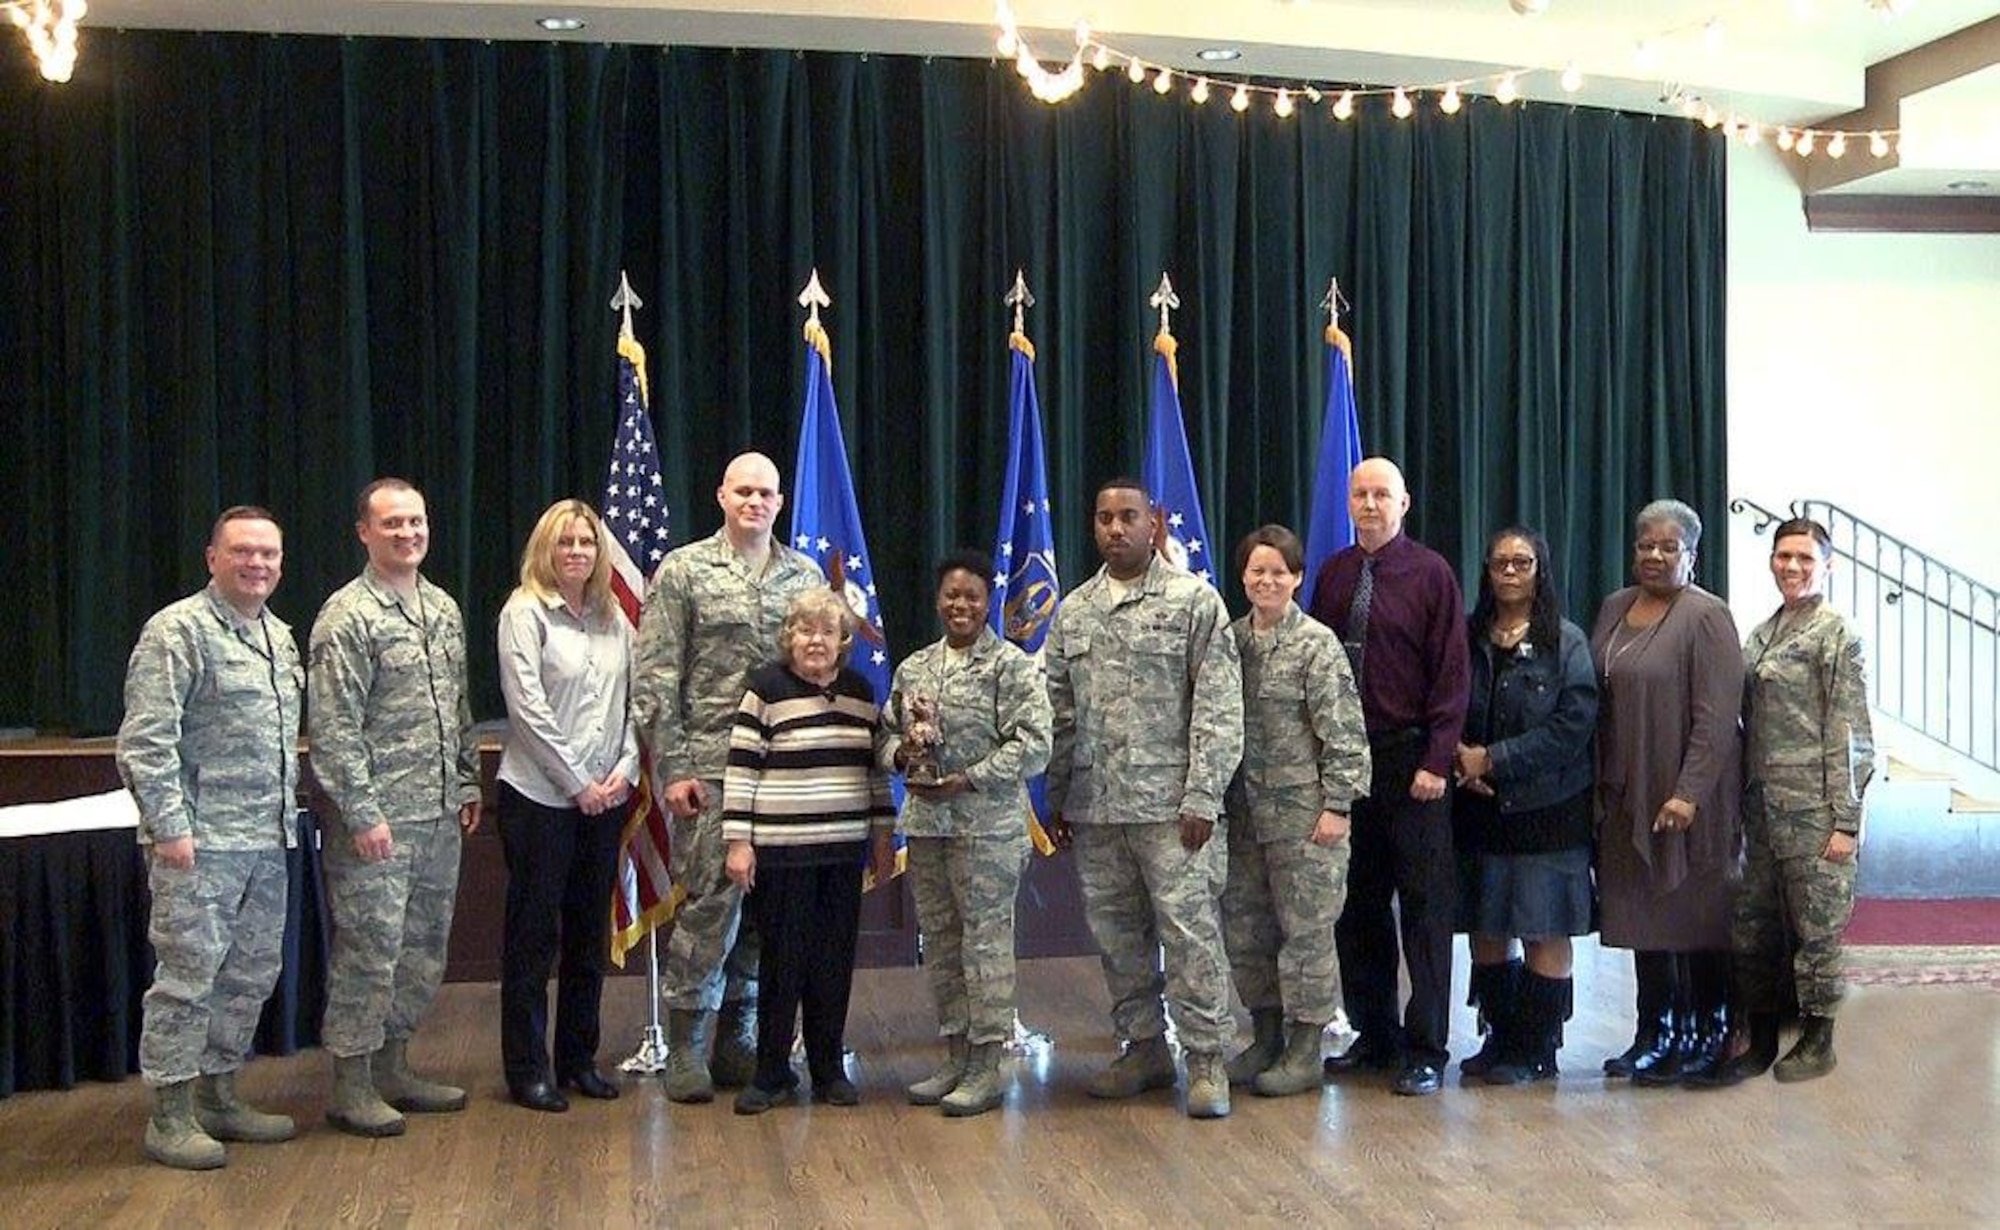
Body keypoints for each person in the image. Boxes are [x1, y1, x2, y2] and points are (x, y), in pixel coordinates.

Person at [1045, 478, 1244, 1120]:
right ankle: (1144, 1048)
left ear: (1154, 522)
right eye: (1103, 517)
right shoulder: (1074, 610)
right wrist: (1056, 797)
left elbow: (1217, 707)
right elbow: (1058, 710)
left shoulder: (1194, 602)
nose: (1114, 528)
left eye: (1127, 516)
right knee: (1117, 937)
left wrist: (1203, 796)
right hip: (1097, 808)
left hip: (1172, 810)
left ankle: (1208, 1058)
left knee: (1190, 936)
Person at [633, 451, 823, 1104]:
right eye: (743, 490)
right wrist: (674, 768)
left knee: (769, 912)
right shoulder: (684, 571)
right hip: (711, 772)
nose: (755, 502)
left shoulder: (802, 574)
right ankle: (686, 1038)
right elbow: (656, 675)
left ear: (780, 500)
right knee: (712, 905)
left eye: (766, 493)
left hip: (787, 772)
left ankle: (737, 1033)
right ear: (721, 495)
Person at [117, 507, 304, 1170]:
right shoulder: (178, 631)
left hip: (265, 839)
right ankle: (169, 1115)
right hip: (199, 845)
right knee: (188, 978)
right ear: (212, 558)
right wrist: (170, 827)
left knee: (251, 973)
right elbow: (145, 740)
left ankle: (219, 1094)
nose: (257, 564)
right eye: (243, 552)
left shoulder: (278, 637)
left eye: (269, 555)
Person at [310, 478, 482, 1137]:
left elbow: (458, 707)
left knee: (421, 949)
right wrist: (361, 814)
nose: (407, 533)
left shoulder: (440, 607)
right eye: (392, 524)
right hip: (376, 823)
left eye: (416, 521)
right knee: (370, 950)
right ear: (364, 532)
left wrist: (467, 783)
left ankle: (393, 1066)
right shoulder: (347, 616)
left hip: (436, 812)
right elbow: (333, 729)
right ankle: (351, 1085)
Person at [1307, 457, 1469, 1097]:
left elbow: (1452, 675)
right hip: (1349, 761)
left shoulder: (1431, 574)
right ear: (1348, 503)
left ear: (1404, 504)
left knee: (1425, 911)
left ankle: (1426, 1046)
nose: (1369, 505)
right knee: (1357, 906)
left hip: (1412, 763)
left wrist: (1436, 760)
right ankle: (1375, 1035)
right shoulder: (1335, 573)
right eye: (1360, 494)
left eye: (1381, 495)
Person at [882, 551, 1051, 1117]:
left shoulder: (1012, 666)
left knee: (985, 944)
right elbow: (883, 735)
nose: (961, 605)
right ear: (938, 600)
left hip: (989, 829)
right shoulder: (914, 669)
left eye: (972, 596)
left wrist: (970, 780)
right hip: (928, 826)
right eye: (952, 595)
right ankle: (955, 1053)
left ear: (988, 603)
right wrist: (901, 754)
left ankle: (988, 1063)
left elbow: (1034, 744)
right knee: (942, 942)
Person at [1706, 517, 1873, 1085]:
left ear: (1827, 565)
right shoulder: (1762, 632)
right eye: (1784, 556)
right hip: (1762, 808)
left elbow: (1851, 732)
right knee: (1754, 926)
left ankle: (1818, 1038)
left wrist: (1846, 820)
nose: (1793, 567)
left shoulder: (1835, 635)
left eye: (1805, 557)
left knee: (1815, 928)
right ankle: (1762, 1037)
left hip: (1816, 809)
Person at [721, 588, 896, 1114]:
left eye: (826, 632)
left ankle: (827, 1070)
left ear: (844, 640)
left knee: (832, 963)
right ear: (788, 637)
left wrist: (884, 837)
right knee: (782, 963)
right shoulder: (766, 690)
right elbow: (741, 768)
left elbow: (875, 774)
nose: (815, 641)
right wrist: (738, 841)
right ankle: (771, 1072)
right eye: (804, 630)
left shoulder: (862, 692)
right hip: (781, 853)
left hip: (842, 854)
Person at [1590, 499, 1744, 1087]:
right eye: (1645, 545)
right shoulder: (1614, 607)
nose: (1654, 555)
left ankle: (1705, 1035)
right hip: (1627, 791)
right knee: (1642, 917)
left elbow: (1717, 718)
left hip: (1688, 799)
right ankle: (1653, 1034)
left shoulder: (1707, 617)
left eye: (1668, 547)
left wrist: (1688, 793)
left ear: (1692, 556)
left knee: (1693, 915)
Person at [494, 500, 640, 1112]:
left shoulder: (614, 620)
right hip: (539, 798)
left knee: (587, 936)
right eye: (565, 542)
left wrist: (623, 770)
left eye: (586, 541)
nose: (577, 551)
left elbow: (637, 705)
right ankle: (529, 1070)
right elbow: (527, 710)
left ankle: (579, 1059)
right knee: (533, 939)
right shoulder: (523, 613)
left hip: (605, 797)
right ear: (545, 549)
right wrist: (579, 782)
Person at [1220, 526, 1370, 1098]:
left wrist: (1338, 805)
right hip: (1244, 819)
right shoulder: (1229, 643)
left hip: (1306, 820)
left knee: (1306, 933)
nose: (1267, 581)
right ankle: (1265, 1037)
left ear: (1298, 578)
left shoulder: (1316, 644)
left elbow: (1345, 735)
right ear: (1243, 578)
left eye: (1278, 572)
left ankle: (1306, 1047)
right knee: (1247, 931)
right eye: (1257, 572)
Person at [1451, 527, 1599, 1086]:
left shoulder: (1568, 642)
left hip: (1548, 809)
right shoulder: (1466, 638)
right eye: (1500, 563)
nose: (1510, 572)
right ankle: (1499, 1037)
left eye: (1523, 562)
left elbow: (1573, 726)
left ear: (1541, 570)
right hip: (1476, 807)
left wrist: (1494, 759)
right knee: (1487, 926)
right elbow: (1443, 705)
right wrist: (1462, 763)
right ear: (1486, 572)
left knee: (1542, 927)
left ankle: (1537, 1048)